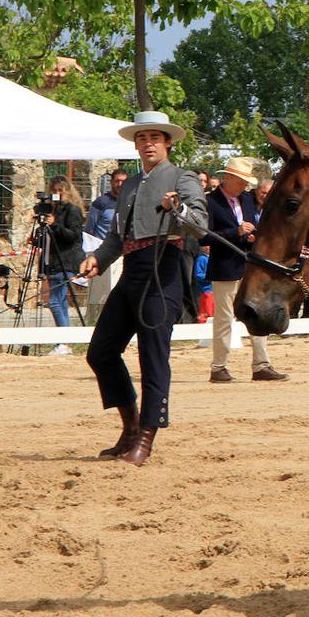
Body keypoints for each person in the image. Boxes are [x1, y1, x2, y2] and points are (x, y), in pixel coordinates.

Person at [77, 111, 208, 467]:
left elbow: (199, 226)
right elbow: (117, 237)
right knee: (101, 352)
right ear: (136, 145)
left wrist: (177, 207)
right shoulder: (130, 185)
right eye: (142, 138)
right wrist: (98, 260)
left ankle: (147, 437)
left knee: (152, 355)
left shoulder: (183, 178)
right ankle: (130, 425)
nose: (148, 143)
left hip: (164, 269)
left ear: (167, 143)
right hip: (131, 270)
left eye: (154, 137)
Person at [203, 157, 287, 383]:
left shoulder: (248, 200)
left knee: (256, 314)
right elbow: (204, 236)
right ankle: (219, 366)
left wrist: (252, 236)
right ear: (227, 178)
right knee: (224, 318)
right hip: (224, 267)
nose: (244, 185)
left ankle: (261, 364)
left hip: (250, 266)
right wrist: (236, 231)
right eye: (240, 180)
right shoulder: (211, 202)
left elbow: (255, 227)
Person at [38, 175, 85, 355]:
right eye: (54, 191)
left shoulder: (72, 211)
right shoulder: (51, 210)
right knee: (60, 302)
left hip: (65, 260)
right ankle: (64, 341)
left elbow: (73, 236)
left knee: (54, 301)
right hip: (52, 260)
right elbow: (49, 237)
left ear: (67, 192)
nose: (57, 194)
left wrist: (55, 224)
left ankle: (63, 342)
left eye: (60, 191)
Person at [83, 169, 128, 324]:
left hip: (124, 253)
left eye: (123, 181)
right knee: (100, 294)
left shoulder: (130, 201)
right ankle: (97, 321)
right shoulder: (101, 203)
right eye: (117, 181)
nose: (120, 184)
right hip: (103, 252)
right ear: (111, 182)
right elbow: (90, 228)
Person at [193, 245, 214, 322]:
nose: (208, 247)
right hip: (207, 290)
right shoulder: (201, 259)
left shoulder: (214, 259)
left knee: (213, 312)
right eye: (206, 245)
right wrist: (211, 277)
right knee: (206, 312)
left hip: (215, 290)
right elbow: (198, 275)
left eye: (210, 245)